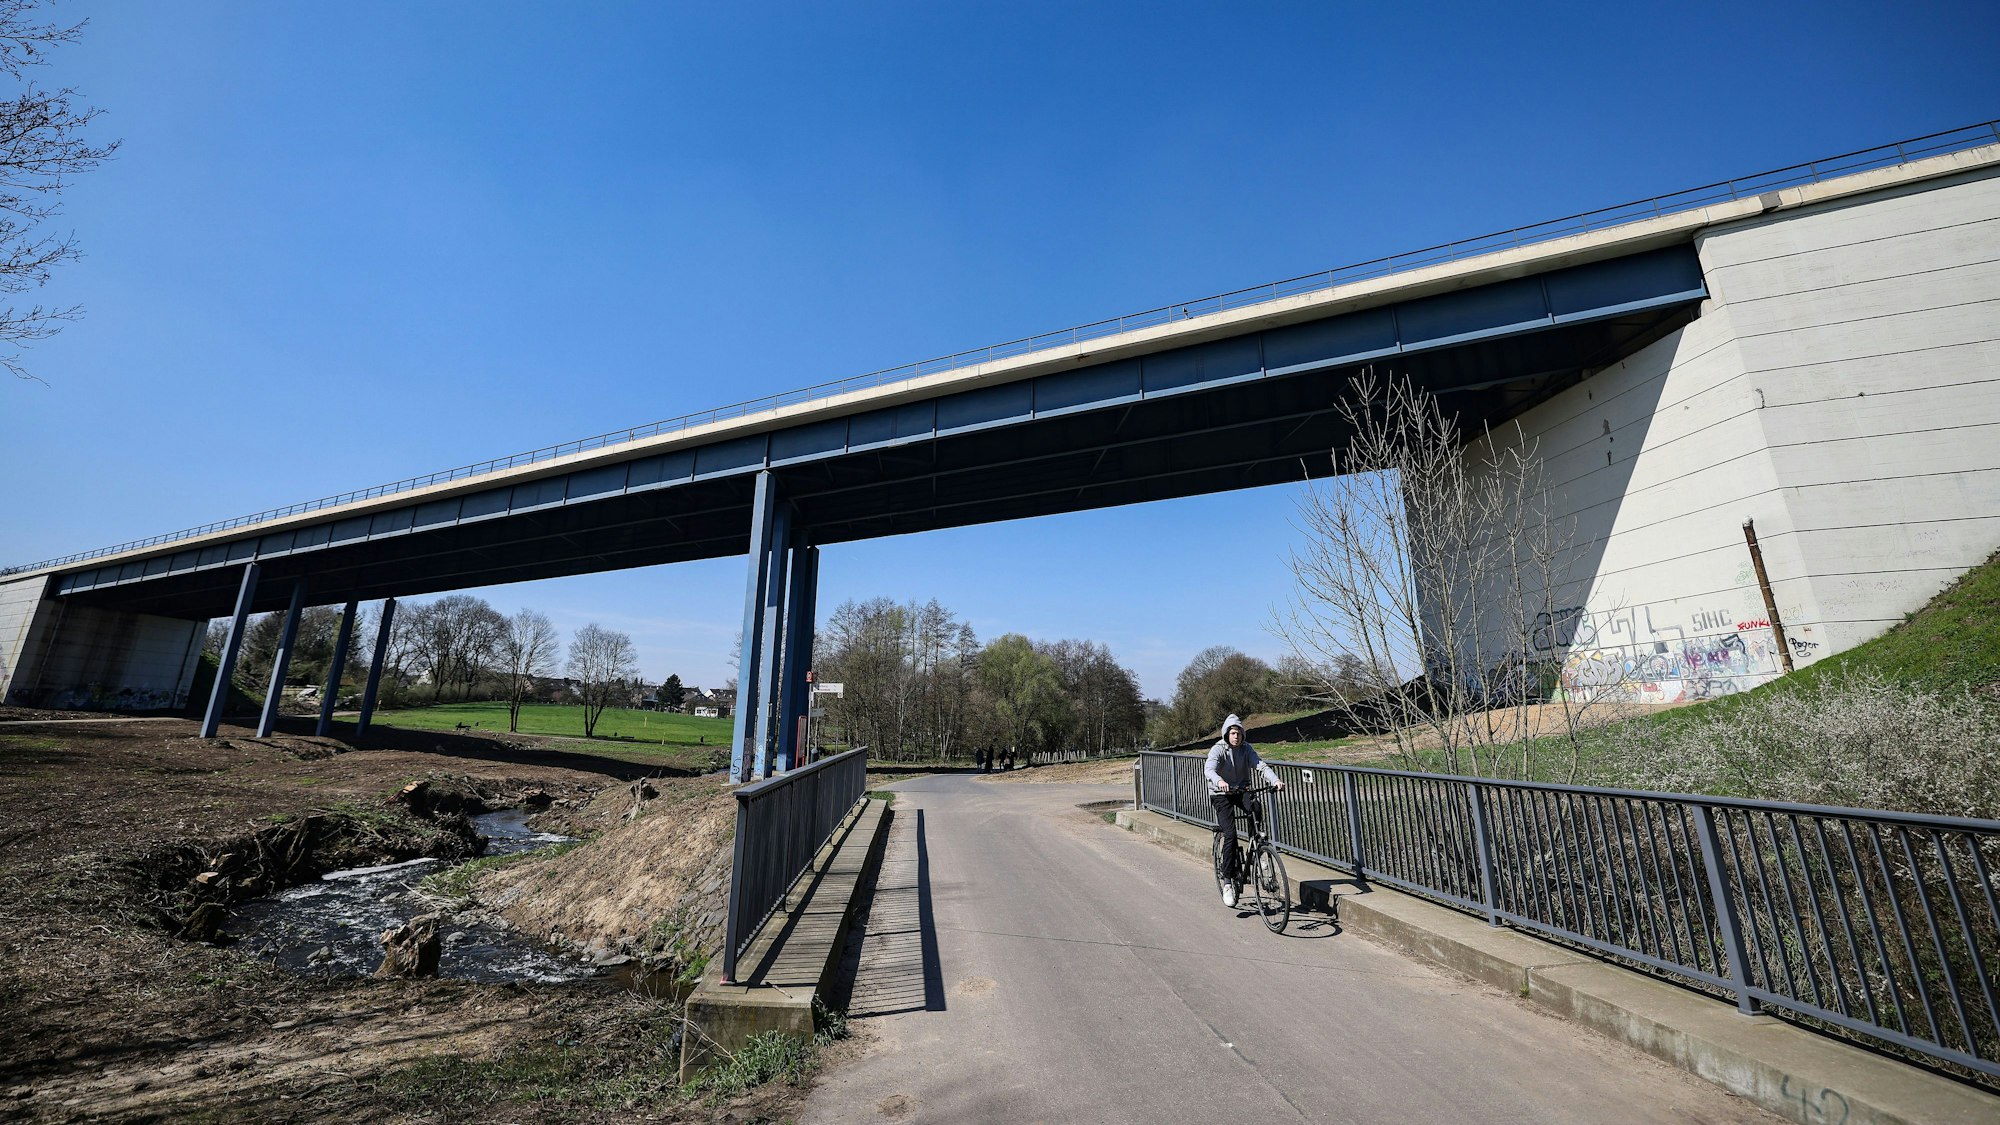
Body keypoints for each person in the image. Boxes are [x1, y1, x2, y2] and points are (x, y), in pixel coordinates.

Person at [1205, 713, 1282, 907]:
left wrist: (1275, 780)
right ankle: (1228, 882)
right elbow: (1209, 770)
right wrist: (1219, 781)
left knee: (1255, 806)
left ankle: (1257, 848)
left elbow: (1260, 766)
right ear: (1226, 734)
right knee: (1230, 834)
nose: (1236, 736)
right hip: (1220, 793)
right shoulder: (1218, 750)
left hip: (1240, 790)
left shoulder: (1247, 749)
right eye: (1232, 733)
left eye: (1238, 733)